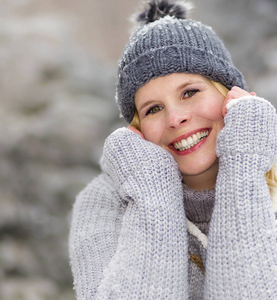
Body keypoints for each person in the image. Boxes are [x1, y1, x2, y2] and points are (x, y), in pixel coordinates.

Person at [69, 0, 277, 298]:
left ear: (231, 96)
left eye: (190, 92)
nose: (175, 118)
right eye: (153, 109)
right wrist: (151, 192)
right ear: (137, 130)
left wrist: (244, 164)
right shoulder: (103, 205)